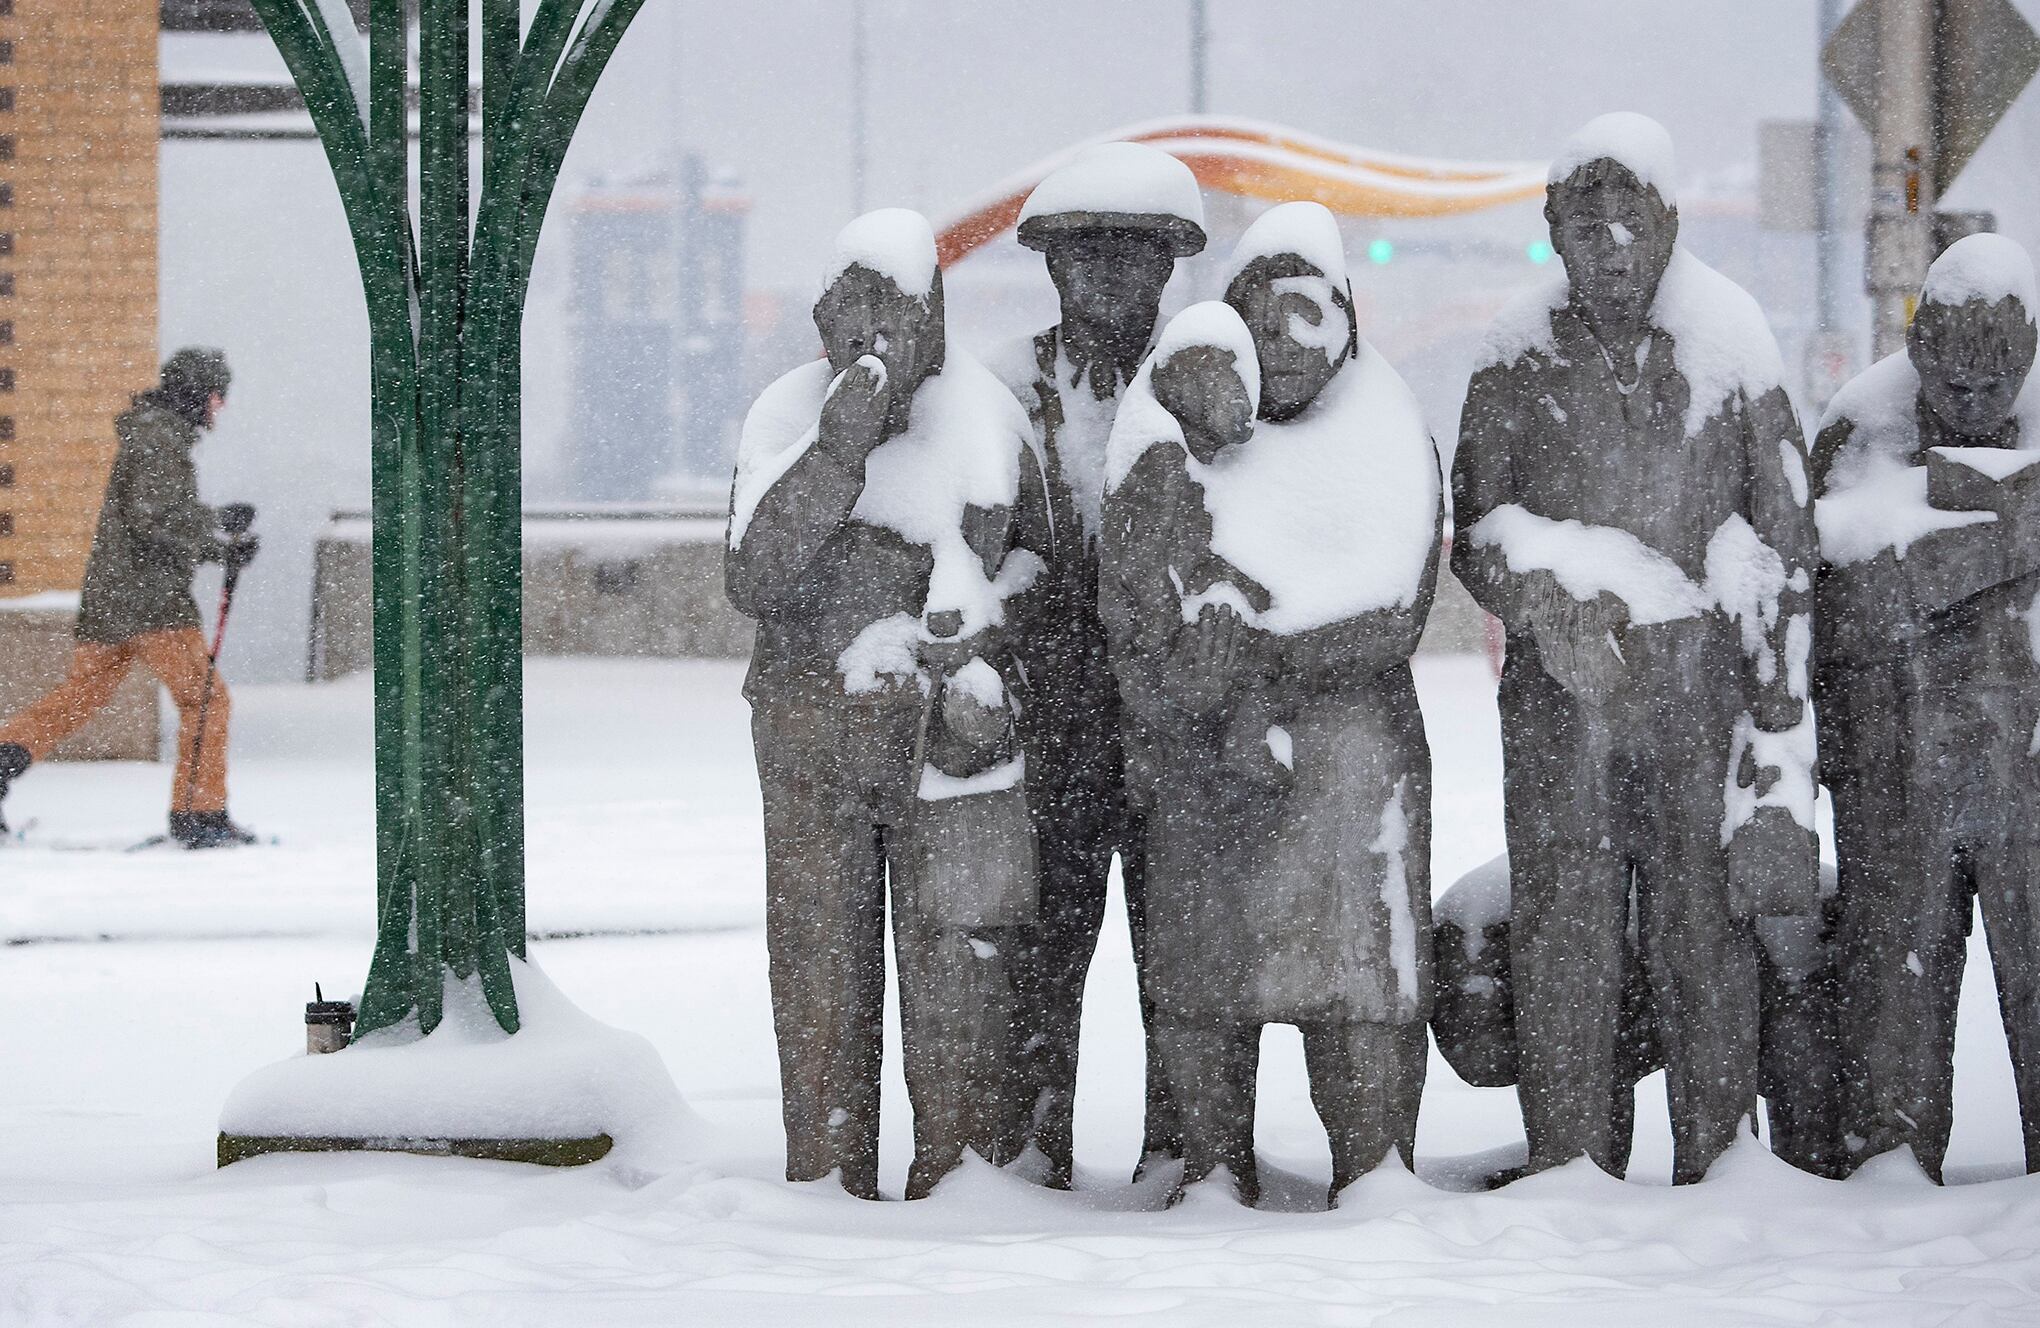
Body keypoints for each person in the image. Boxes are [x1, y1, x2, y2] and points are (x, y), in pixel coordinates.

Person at [1452, 114, 1817, 1184]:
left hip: (1697, 694)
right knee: (1565, 930)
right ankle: (1572, 1153)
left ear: (1667, 224)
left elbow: (1784, 533)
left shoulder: (1729, 342)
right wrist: (1546, 601)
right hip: (1563, 698)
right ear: (1552, 232)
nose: (1609, 245)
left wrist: (1773, 692)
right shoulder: (1517, 354)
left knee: (1702, 925)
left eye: (1629, 222)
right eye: (1584, 224)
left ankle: (1717, 1155)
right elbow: (1476, 522)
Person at [1101, 206, 1442, 1206]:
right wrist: (1191, 664)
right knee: (1207, 983)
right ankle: (1212, 1167)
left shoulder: (1384, 424)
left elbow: (1392, 600)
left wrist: (1267, 644)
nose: (1288, 338)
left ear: (1345, 315)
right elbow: (1137, 586)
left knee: (1364, 991)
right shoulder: (1191, 430)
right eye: (1264, 314)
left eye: (1308, 311)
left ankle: (1375, 1170)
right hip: (1216, 767)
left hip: (1351, 765)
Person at [725, 209, 1048, 1200]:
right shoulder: (787, 418)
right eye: (852, 327)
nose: (872, 347)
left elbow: (1041, 561)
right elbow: (752, 574)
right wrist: (835, 455)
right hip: (811, 739)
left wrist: (985, 629)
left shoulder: (986, 419)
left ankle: (959, 1169)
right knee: (821, 964)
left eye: (895, 324)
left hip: (944, 746)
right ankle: (824, 1164)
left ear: (935, 326)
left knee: (955, 967)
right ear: (824, 330)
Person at [987, 141, 1207, 1184]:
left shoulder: (1211, 387)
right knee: (1042, 949)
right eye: (1088, 256)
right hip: (1050, 725)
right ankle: (1034, 1142)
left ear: (1169, 271)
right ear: (1051, 268)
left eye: (1136, 256)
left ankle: (1181, 1141)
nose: (1112, 276)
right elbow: (975, 542)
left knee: (1182, 950)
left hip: (1173, 724)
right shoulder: (1002, 390)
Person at [1811, 233, 2040, 1181]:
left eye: (1998, 382)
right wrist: (1976, 551)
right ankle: (1891, 1176)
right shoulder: (1860, 429)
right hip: (1897, 770)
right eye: (1954, 379)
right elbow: (1818, 594)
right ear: (1918, 347)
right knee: (1893, 1002)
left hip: (2025, 770)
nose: (1977, 400)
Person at [0, 347, 260, 849]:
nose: (218, 409)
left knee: (77, 700)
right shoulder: (160, 440)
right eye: (216, 397)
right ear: (196, 395)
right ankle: (199, 814)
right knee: (207, 702)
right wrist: (216, 536)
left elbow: (152, 512)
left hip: (110, 599)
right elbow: (153, 517)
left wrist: (215, 532)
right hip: (151, 600)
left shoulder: (148, 434)